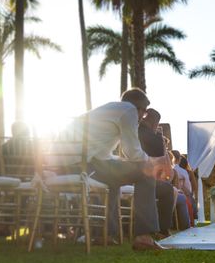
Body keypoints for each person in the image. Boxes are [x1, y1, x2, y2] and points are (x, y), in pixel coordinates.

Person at [54, 88, 168, 251]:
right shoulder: (128, 111)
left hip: (66, 166)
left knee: (113, 179)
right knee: (146, 172)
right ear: (138, 107)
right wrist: (150, 162)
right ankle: (144, 236)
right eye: (143, 113)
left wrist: (121, 161)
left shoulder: (108, 109)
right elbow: (133, 152)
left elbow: (102, 154)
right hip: (83, 167)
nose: (141, 118)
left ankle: (105, 234)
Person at [137, 108, 175, 238]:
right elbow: (159, 152)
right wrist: (159, 135)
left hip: (136, 176)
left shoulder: (137, 129)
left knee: (166, 188)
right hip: (140, 179)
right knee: (167, 190)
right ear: (154, 122)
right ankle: (163, 230)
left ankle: (160, 228)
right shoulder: (144, 132)